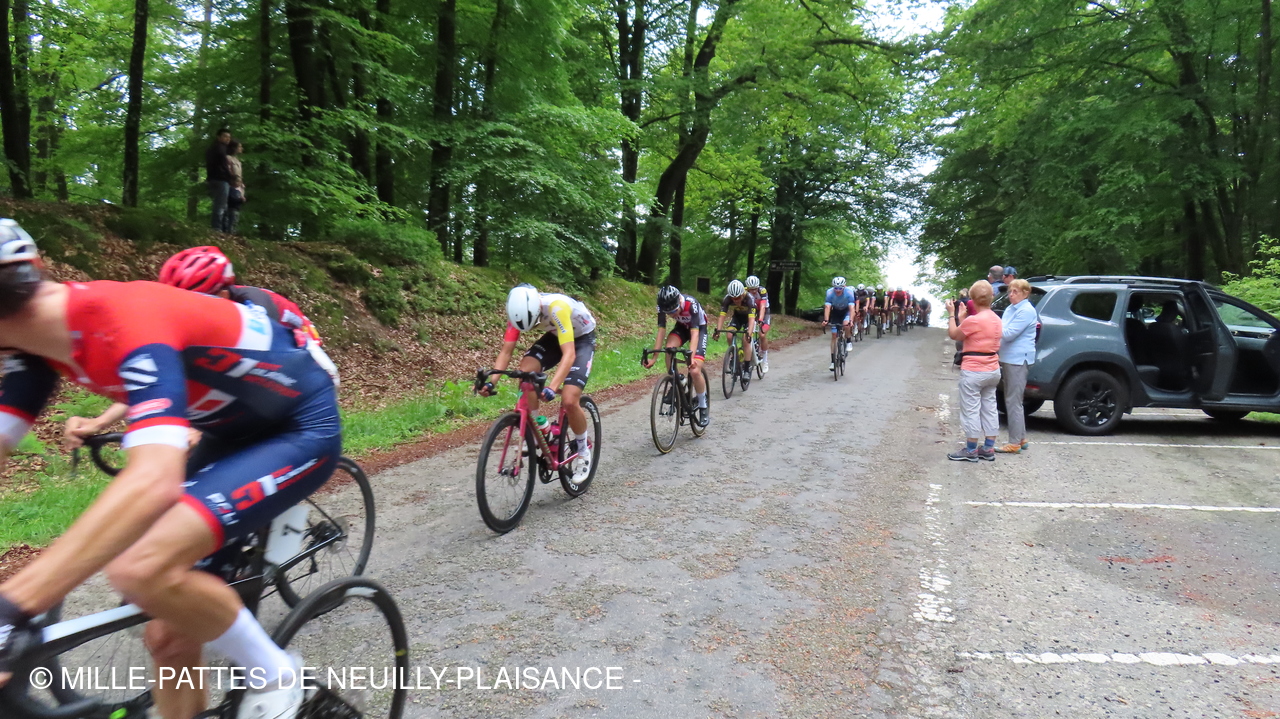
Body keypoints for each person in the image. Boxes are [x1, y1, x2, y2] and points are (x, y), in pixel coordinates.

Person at [0, 219, 339, 719]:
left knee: (140, 566)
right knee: (169, 638)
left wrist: (14, 606)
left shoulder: (120, 314)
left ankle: (281, 678)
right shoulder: (32, 350)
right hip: (229, 434)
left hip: (297, 429)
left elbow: (153, 480)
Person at [63, 246, 338, 450]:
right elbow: (155, 379)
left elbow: (263, 378)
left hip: (302, 361)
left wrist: (197, 428)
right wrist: (100, 422)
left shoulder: (256, 310)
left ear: (224, 293)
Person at [478, 284, 597, 480]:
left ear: (537, 311)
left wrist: (552, 387)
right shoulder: (517, 313)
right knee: (526, 373)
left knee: (569, 399)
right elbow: (506, 352)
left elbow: (569, 355)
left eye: (534, 324)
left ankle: (583, 451)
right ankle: (535, 430)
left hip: (582, 339)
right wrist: (492, 382)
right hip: (555, 336)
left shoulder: (557, 307)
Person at [946, 280, 1002, 461]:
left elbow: (955, 334)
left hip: (974, 370)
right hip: (993, 369)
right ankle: (988, 447)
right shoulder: (996, 319)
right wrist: (964, 318)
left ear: (972, 299)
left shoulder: (974, 320)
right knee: (990, 407)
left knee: (971, 408)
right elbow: (972, 333)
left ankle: (971, 449)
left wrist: (952, 315)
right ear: (991, 297)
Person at [643, 285, 710, 427]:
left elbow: (695, 333)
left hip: (698, 329)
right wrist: (654, 357)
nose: (672, 315)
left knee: (695, 370)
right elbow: (661, 331)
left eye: (674, 311)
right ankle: (678, 379)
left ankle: (703, 405)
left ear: (679, 301)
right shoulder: (662, 306)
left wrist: (691, 357)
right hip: (682, 328)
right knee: (669, 349)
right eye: (668, 313)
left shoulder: (691, 304)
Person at [996, 279, 1037, 454]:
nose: (1011, 295)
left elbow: (1009, 333)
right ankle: (1021, 438)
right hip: (1009, 357)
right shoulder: (1011, 309)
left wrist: (989, 327)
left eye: (1015, 292)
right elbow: (1004, 329)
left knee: (1013, 400)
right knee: (1013, 399)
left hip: (1018, 359)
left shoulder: (1026, 310)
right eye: (1010, 291)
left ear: (1025, 293)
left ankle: (1014, 442)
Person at [713, 280, 757, 369]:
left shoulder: (750, 299)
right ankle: (735, 356)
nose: (736, 300)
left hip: (749, 319)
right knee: (729, 335)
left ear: (742, 294)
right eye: (733, 298)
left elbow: (751, 319)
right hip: (737, 318)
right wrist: (718, 331)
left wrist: (749, 333)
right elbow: (722, 316)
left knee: (746, 339)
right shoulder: (727, 299)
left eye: (738, 298)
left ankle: (747, 368)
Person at [823, 277, 855, 369]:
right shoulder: (829, 292)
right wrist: (826, 320)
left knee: (846, 324)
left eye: (840, 288)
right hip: (836, 312)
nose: (837, 290)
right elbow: (827, 307)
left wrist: (851, 321)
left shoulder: (849, 292)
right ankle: (833, 361)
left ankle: (848, 341)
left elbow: (852, 308)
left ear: (844, 287)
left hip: (846, 311)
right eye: (836, 288)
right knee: (834, 335)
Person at [205, 128, 233, 232]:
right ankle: (216, 228)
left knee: (222, 204)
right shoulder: (219, 148)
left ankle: (222, 229)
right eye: (225, 136)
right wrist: (229, 175)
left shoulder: (215, 148)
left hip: (215, 178)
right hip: (220, 179)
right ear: (219, 137)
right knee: (220, 205)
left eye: (229, 137)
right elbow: (222, 165)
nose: (227, 139)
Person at [743, 275, 770, 374]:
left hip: (764, 312)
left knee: (762, 334)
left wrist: (760, 319)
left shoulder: (762, 291)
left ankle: (765, 360)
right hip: (751, 312)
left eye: (755, 289)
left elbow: (762, 307)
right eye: (751, 289)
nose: (754, 291)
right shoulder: (744, 291)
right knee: (747, 332)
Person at [225, 141, 246, 235]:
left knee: (236, 209)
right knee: (230, 209)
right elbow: (228, 172)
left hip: (238, 188)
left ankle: (232, 231)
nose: (241, 148)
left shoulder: (237, 161)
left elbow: (240, 177)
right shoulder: (228, 158)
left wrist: (242, 191)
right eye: (239, 146)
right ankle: (227, 231)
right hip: (230, 187)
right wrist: (233, 179)